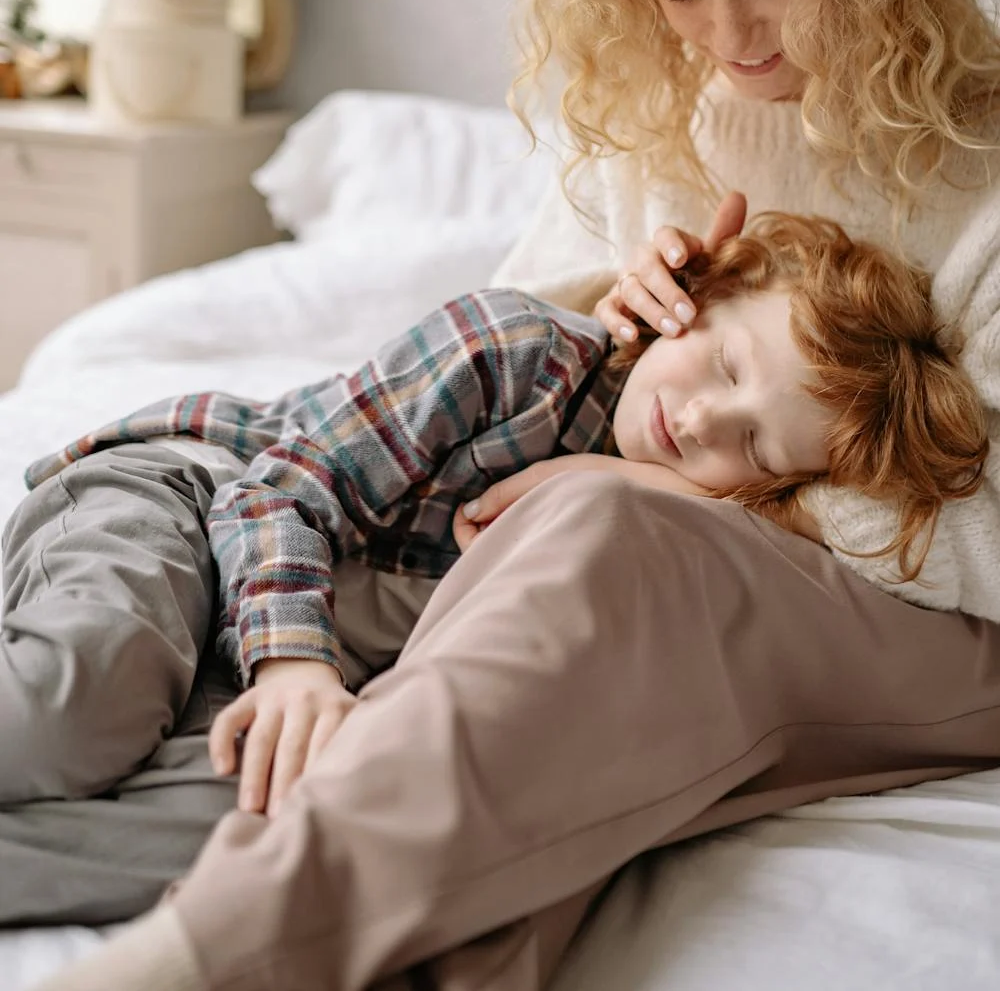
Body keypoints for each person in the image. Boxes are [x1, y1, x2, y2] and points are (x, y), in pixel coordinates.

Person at [31, 0, 1000, 991]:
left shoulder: (980, 164)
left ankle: (214, 950)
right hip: (595, 565)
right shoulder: (650, 123)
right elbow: (495, 407)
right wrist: (610, 308)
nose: (731, 37)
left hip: (927, 616)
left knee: (603, 544)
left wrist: (672, 488)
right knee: (502, 680)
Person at [6, 212, 982, 826]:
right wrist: (295, 664)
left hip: (277, 633)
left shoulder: (682, 535)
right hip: (195, 494)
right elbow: (278, 489)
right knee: (75, 713)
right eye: (725, 370)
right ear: (697, 299)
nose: (695, 423)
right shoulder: (517, 354)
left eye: (756, 448)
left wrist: (652, 492)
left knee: (261, 815)